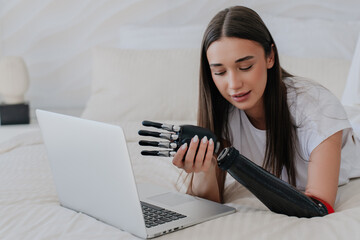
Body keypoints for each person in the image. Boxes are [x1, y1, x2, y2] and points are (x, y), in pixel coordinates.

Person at [172, 6, 360, 211]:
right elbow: (210, 204)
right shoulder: (225, 114)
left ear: (270, 56)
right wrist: (204, 169)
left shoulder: (316, 107)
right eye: (220, 72)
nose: (233, 84)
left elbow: (318, 206)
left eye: (245, 67)